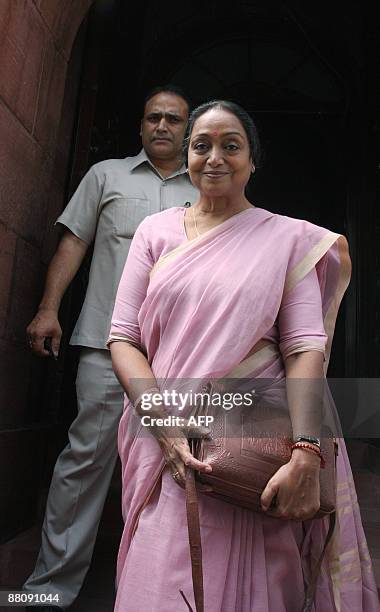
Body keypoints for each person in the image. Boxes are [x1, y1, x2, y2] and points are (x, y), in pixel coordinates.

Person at [108, 100, 380, 611]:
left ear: (253, 160)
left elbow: (304, 348)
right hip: (164, 436)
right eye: (201, 145)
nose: (215, 157)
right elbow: (123, 337)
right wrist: (164, 425)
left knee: (252, 583)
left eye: (231, 146)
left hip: (251, 446)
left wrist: (306, 450)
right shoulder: (155, 232)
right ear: (186, 156)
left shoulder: (287, 240)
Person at [23, 85, 198, 611]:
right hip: (105, 347)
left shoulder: (210, 184)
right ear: (141, 126)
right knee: (85, 463)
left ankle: (162, 596)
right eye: (153, 118)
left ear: (188, 129)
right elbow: (73, 243)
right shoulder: (107, 176)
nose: (162, 126)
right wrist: (49, 308)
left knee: (180, 467)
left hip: (181, 357)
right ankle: (47, 593)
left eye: (173, 119)